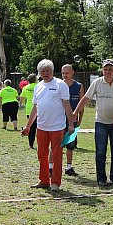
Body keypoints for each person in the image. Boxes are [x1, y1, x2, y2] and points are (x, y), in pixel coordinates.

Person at [23, 59, 75, 190]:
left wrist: (71, 124)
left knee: (57, 156)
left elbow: (67, 105)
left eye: (48, 70)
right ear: (39, 73)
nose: (45, 73)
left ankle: (55, 183)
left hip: (57, 127)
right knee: (41, 155)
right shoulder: (38, 86)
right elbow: (35, 108)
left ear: (52, 71)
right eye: (43, 71)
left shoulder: (60, 84)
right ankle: (44, 180)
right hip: (41, 127)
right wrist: (28, 126)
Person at [74, 59, 113, 186]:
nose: (108, 72)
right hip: (101, 122)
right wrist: (75, 112)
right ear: (102, 71)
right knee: (100, 152)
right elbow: (86, 98)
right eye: (105, 69)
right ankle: (101, 179)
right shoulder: (97, 82)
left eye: (110, 69)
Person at [61, 64, 83, 176]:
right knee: (57, 145)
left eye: (67, 73)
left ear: (72, 72)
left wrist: (80, 119)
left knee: (70, 145)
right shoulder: (58, 85)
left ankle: (69, 167)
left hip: (72, 121)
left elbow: (81, 103)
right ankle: (52, 167)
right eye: (63, 73)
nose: (65, 75)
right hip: (59, 120)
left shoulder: (78, 86)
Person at [20, 74, 38, 148]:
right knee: (40, 128)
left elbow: (22, 98)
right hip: (39, 108)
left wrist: (20, 104)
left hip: (29, 109)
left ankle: (31, 144)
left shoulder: (25, 88)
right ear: (35, 79)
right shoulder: (39, 86)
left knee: (31, 127)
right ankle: (41, 143)